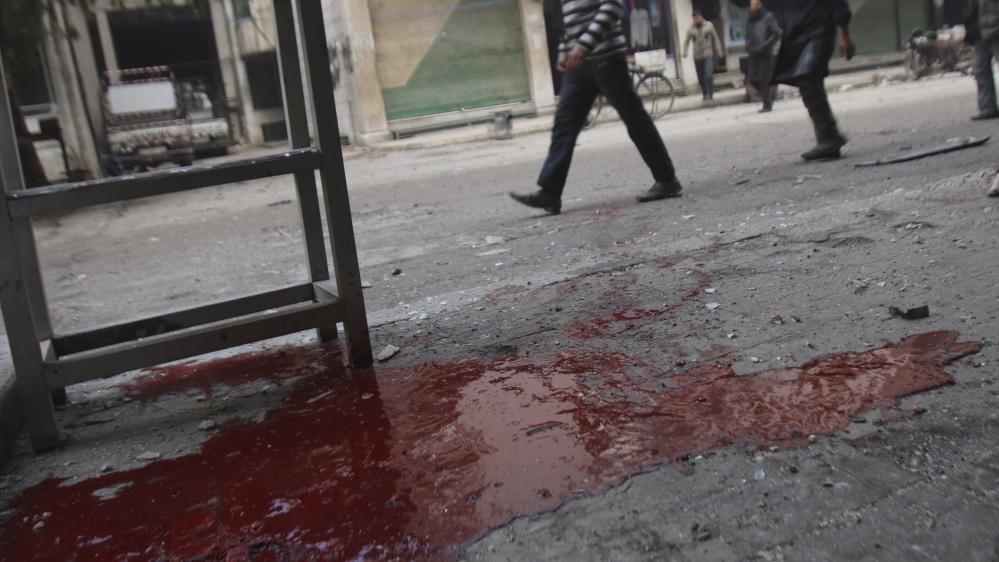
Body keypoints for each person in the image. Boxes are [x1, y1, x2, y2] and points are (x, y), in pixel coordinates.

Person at [510, 0, 683, 215]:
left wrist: (582, 47)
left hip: (607, 57)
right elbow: (570, 24)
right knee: (564, 124)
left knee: (634, 119)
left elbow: (611, 7)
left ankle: (667, 179)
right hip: (578, 65)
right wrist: (564, 50)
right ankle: (550, 192)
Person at [772, 0, 855, 160]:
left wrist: (844, 34)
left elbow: (838, 4)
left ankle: (829, 136)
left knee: (807, 75)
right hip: (797, 33)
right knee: (806, 80)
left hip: (820, 27)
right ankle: (828, 136)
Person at [745, 0, 781, 112]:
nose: (754, 6)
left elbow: (776, 32)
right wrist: (748, 46)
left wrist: (766, 45)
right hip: (753, 52)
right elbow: (748, 34)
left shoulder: (768, 16)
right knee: (752, 78)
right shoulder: (750, 18)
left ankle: (767, 104)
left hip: (765, 52)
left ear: (761, 4)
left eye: (756, 4)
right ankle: (770, 93)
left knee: (764, 79)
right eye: (752, 4)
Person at [966, 0, 999, 119]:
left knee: (981, 70)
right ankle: (987, 108)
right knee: (980, 70)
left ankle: (987, 108)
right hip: (980, 34)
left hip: (996, 31)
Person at [683, 10, 724, 105]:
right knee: (701, 77)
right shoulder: (691, 29)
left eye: (697, 17)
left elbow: (716, 38)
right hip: (697, 57)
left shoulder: (709, 26)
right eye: (694, 18)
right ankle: (705, 92)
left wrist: (719, 52)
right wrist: (685, 51)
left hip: (708, 55)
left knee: (709, 75)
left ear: (701, 16)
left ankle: (711, 96)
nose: (696, 20)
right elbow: (686, 41)